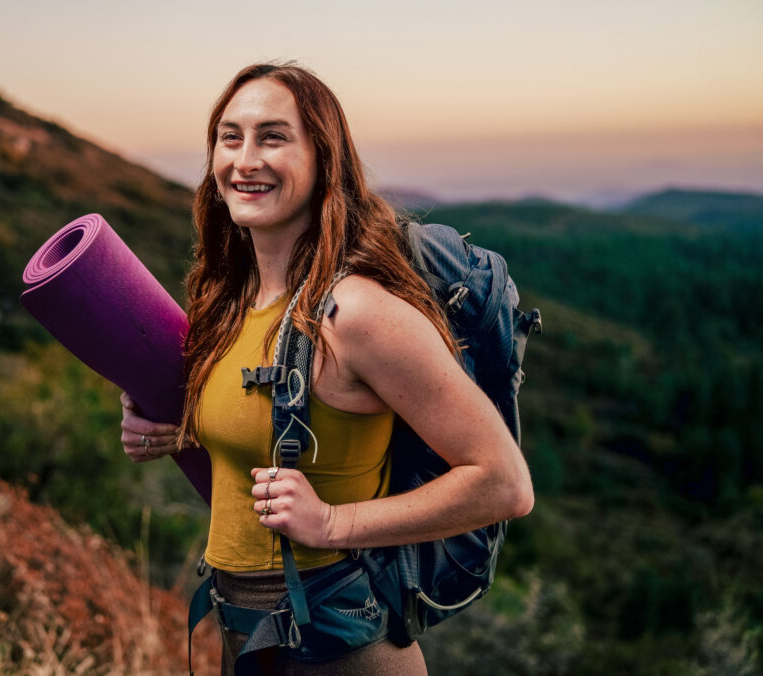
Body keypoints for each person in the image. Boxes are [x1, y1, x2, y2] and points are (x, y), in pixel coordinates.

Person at [120, 62, 534, 674]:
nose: (245, 159)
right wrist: (176, 429)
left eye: (274, 137)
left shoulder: (357, 313)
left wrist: (332, 521)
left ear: (324, 160)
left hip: (341, 649)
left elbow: (503, 483)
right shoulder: (233, 303)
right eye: (230, 137)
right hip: (247, 636)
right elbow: (265, 440)